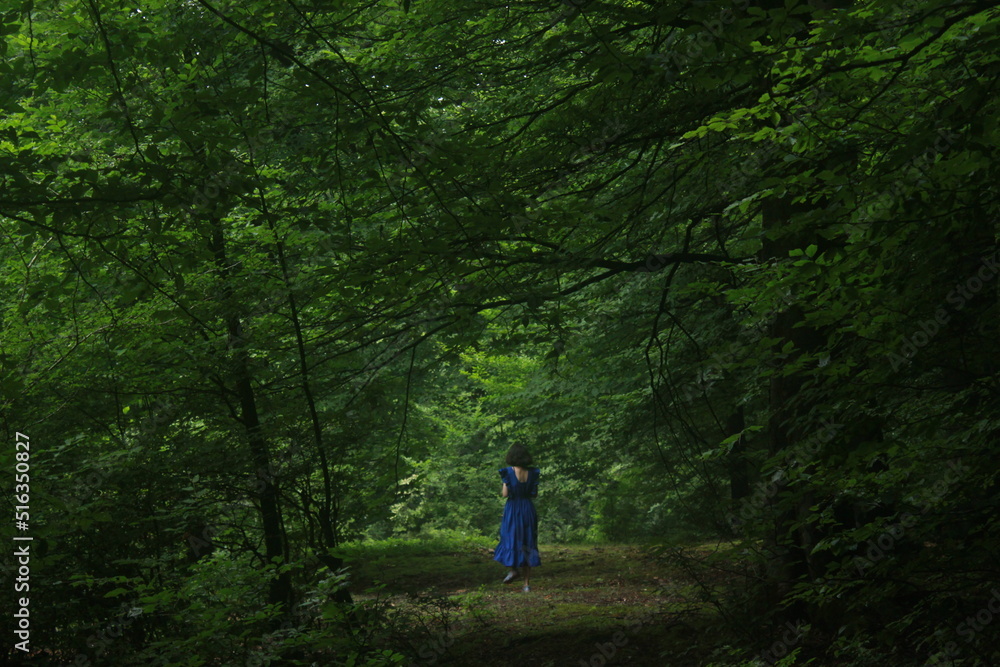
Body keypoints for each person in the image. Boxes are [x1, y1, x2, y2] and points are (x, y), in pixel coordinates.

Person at [493, 443, 540, 592]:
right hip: (527, 508)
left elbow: (505, 494)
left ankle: (513, 569)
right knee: (528, 541)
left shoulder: (508, 472)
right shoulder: (532, 473)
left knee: (509, 538)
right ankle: (526, 584)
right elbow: (534, 494)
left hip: (513, 508)